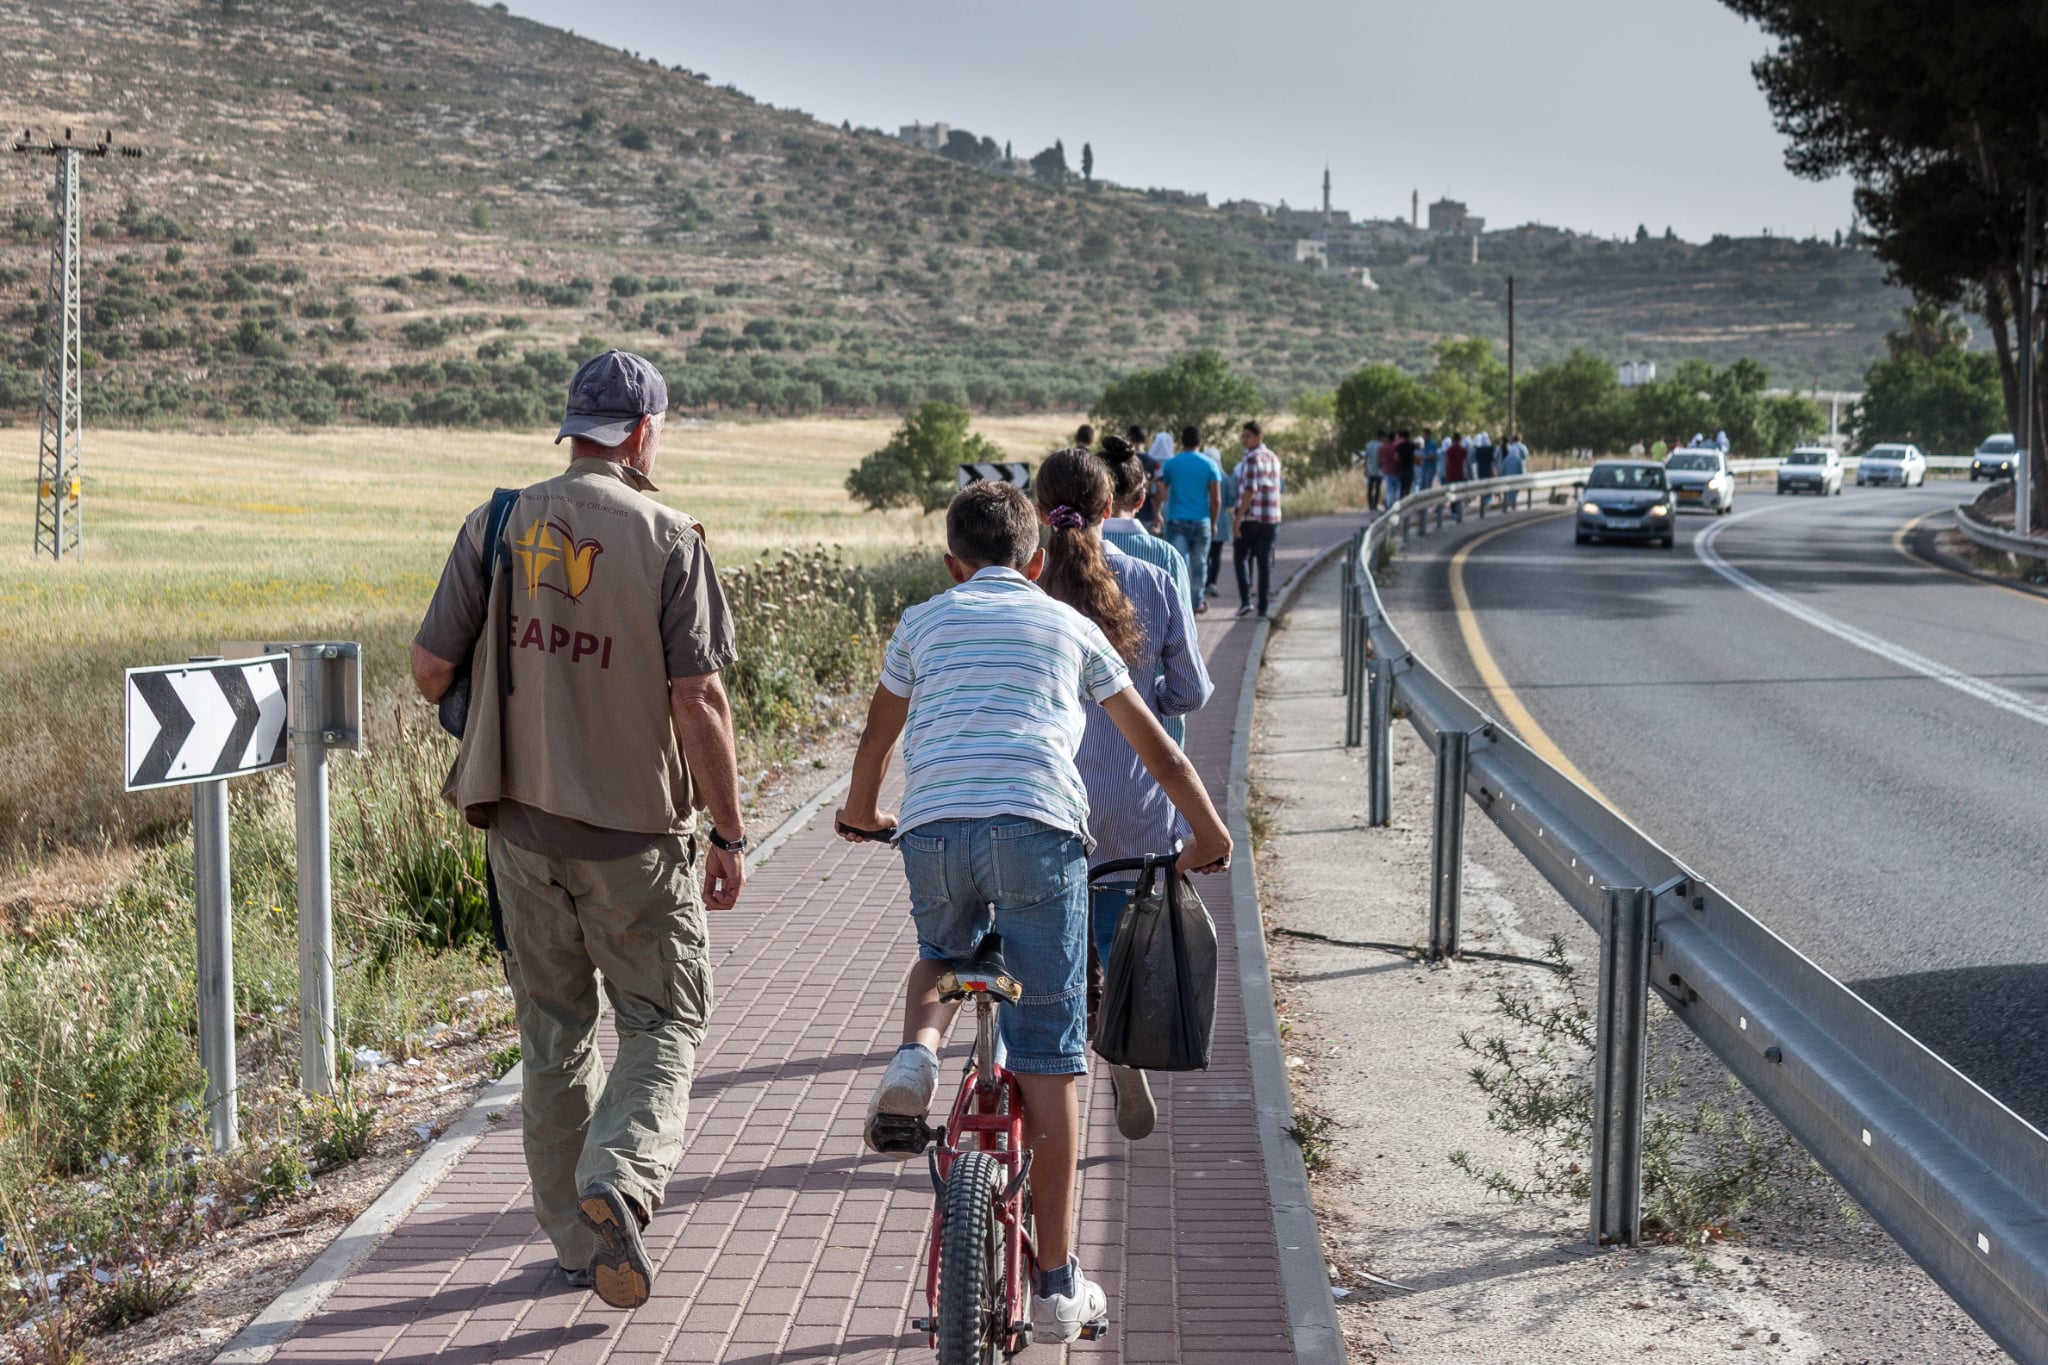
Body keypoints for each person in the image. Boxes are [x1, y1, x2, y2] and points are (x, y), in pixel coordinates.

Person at [836, 480, 1231, 1342]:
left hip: (936, 829)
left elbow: (876, 738)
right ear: (1037, 559)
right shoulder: (1070, 625)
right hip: (1040, 831)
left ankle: (916, 1055)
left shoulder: (920, 621)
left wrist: (862, 812)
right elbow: (1159, 750)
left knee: (943, 952)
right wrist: (1207, 834)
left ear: (952, 562)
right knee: (1050, 1055)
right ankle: (1056, 1283)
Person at [409, 349, 746, 1310]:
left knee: (553, 1034)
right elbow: (699, 696)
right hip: (635, 839)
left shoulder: (500, 520)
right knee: (663, 1018)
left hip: (519, 830)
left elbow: (430, 670)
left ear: (573, 430)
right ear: (642, 434)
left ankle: (573, 1242)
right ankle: (621, 1179)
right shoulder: (671, 537)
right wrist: (728, 833)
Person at [1040, 448, 1212, 1140]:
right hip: (1135, 796)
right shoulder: (1153, 577)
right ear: (1111, 508)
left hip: (1049, 791)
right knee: (1118, 933)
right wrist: (1147, 700)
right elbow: (1192, 690)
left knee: (1042, 936)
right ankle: (1119, 1041)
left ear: (1039, 509)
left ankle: (1040, 1062)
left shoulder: (1030, 584)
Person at [1099, 437, 1194, 747]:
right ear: (1141, 500)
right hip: (1156, 731)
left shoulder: (1059, 558)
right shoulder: (1165, 558)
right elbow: (1185, 659)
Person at [1157, 425, 1221, 615]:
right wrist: (1214, 522)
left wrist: (1160, 506)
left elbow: (1161, 490)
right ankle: (1197, 602)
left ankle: (1179, 603)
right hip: (1202, 521)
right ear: (1200, 441)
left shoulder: (1171, 464)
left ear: (1181, 442)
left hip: (1177, 519)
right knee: (1200, 564)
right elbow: (1216, 499)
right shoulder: (1210, 465)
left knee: (1179, 564)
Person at [1233, 420, 1282, 619]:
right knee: (1264, 562)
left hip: (1252, 517)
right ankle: (1263, 607)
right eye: (1243, 436)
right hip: (1272, 517)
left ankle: (1246, 599)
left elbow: (1250, 490)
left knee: (1240, 556)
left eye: (1248, 436)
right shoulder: (1273, 457)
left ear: (1259, 437)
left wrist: (1238, 518)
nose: (1244, 440)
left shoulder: (1252, 458)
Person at [1211, 453, 1238, 596]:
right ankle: (1212, 582)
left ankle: (1203, 583)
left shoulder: (1204, 476)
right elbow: (1231, 500)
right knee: (1216, 554)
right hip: (1221, 521)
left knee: (1203, 556)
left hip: (1203, 518)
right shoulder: (1225, 478)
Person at [1442, 433, 1469, 521]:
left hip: (1451, 475)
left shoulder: (1449, 450)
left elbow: (1447, 462)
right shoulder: (1463, 449)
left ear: (1453, 440)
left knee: (1452, 493)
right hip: (1460, 474)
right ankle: (1458, 510)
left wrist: (1446, 473)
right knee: (1459, 493)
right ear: (1460, 439)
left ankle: (1453, 511)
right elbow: (1466, 462)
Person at [1500, 431, 1528, 509]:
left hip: (1508, 471)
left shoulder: (1510, 449)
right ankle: (1513, 503)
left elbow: (1503, 467)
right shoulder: (1522, 447)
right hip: (1517, 471)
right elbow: (1525, 457)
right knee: (1516, 487)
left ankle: (1510, 502)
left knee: (1509, 487)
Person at [1359, 432, 1384, 511]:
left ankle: (1370, 505)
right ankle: (1375, 505)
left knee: (1370, 489)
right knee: (1377, 488)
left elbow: (1366, 458)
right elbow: (1381, 459)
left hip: (1370, 470)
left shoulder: (1368, 445)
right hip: (1379, 471)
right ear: (1380, 437)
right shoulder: (1381, 445)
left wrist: (1365, 468)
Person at [1379, 430, 1403, 508]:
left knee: (1388, 489)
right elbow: (1397, 458)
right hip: (1395, 469)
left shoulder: (1383, 447)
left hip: (1386, 470)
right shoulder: (1396, 447)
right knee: (1396, 489)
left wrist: (1381, 466)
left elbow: (1380, 459)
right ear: (1394, 438)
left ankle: (1388, 505)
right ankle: (1396, 506)